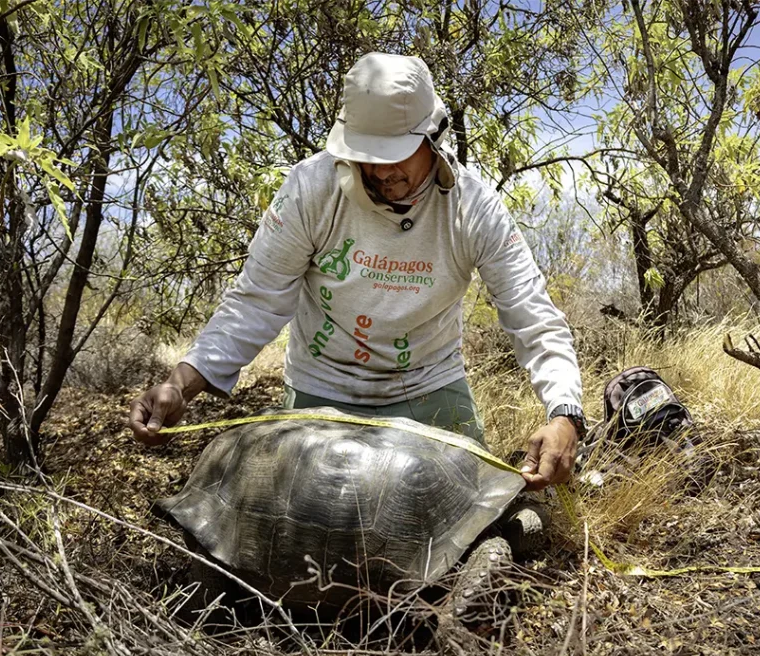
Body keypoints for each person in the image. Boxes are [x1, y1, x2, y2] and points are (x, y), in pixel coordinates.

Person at [128, 52, 586, 491]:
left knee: (469, 518)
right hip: (321, 386)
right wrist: (179, 385)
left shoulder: (473, 209)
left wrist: (565, 415)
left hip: (429, 384)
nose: (382, 170)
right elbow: (256, 301)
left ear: (434, 137)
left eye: (398, 154)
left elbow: (532, 315)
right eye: (369, 155)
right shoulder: (311, 189)